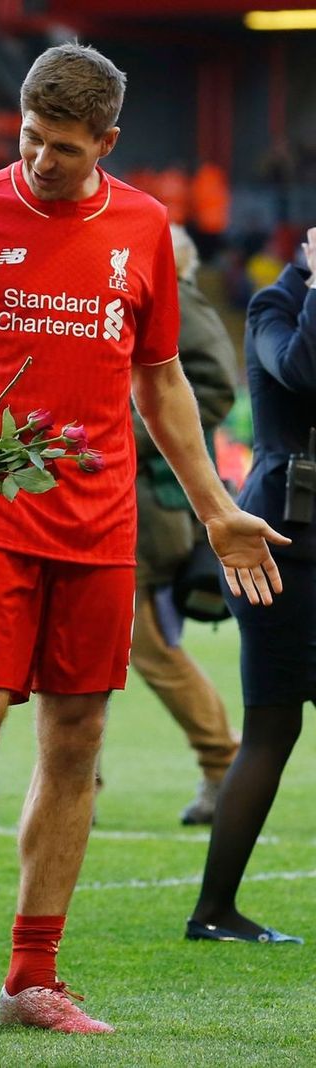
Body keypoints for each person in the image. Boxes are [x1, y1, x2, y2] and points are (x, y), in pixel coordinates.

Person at [0, 42, 288, 1036]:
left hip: (98, 524)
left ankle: (30, 975)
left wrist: (215, 507)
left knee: (77, 738)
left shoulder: (141, 226)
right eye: (30, 141)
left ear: (107, 143)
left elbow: (162, 381)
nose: (40, 162)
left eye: (62, 149)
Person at [186, 227, 316, 944]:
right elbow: (303, 371)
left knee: (274, 727)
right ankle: (212, 910)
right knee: (271, 725)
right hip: (279, 550)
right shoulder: (276, 305)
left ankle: (214, 909)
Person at [130, 224, 240, 825]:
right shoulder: (147, 302)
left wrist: (131, 435)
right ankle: (75, 784)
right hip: (128, 502)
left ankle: (225, 763)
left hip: (147, 509)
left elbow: (216, 388)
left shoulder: (177, 299)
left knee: (143, 644)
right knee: (81, 645)